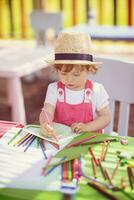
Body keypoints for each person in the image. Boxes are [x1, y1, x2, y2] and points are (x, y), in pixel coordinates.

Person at [39, 32, 111, 139]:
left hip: (88, 141)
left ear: (89, 70)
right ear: (57, 70)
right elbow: (47, 111)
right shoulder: (54, 89)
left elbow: (106, 117)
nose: (69, 79)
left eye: (76, 74)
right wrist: (45, 123)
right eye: (63, 73)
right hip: (60, 140)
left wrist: (87, 127)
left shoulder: (96, 90)